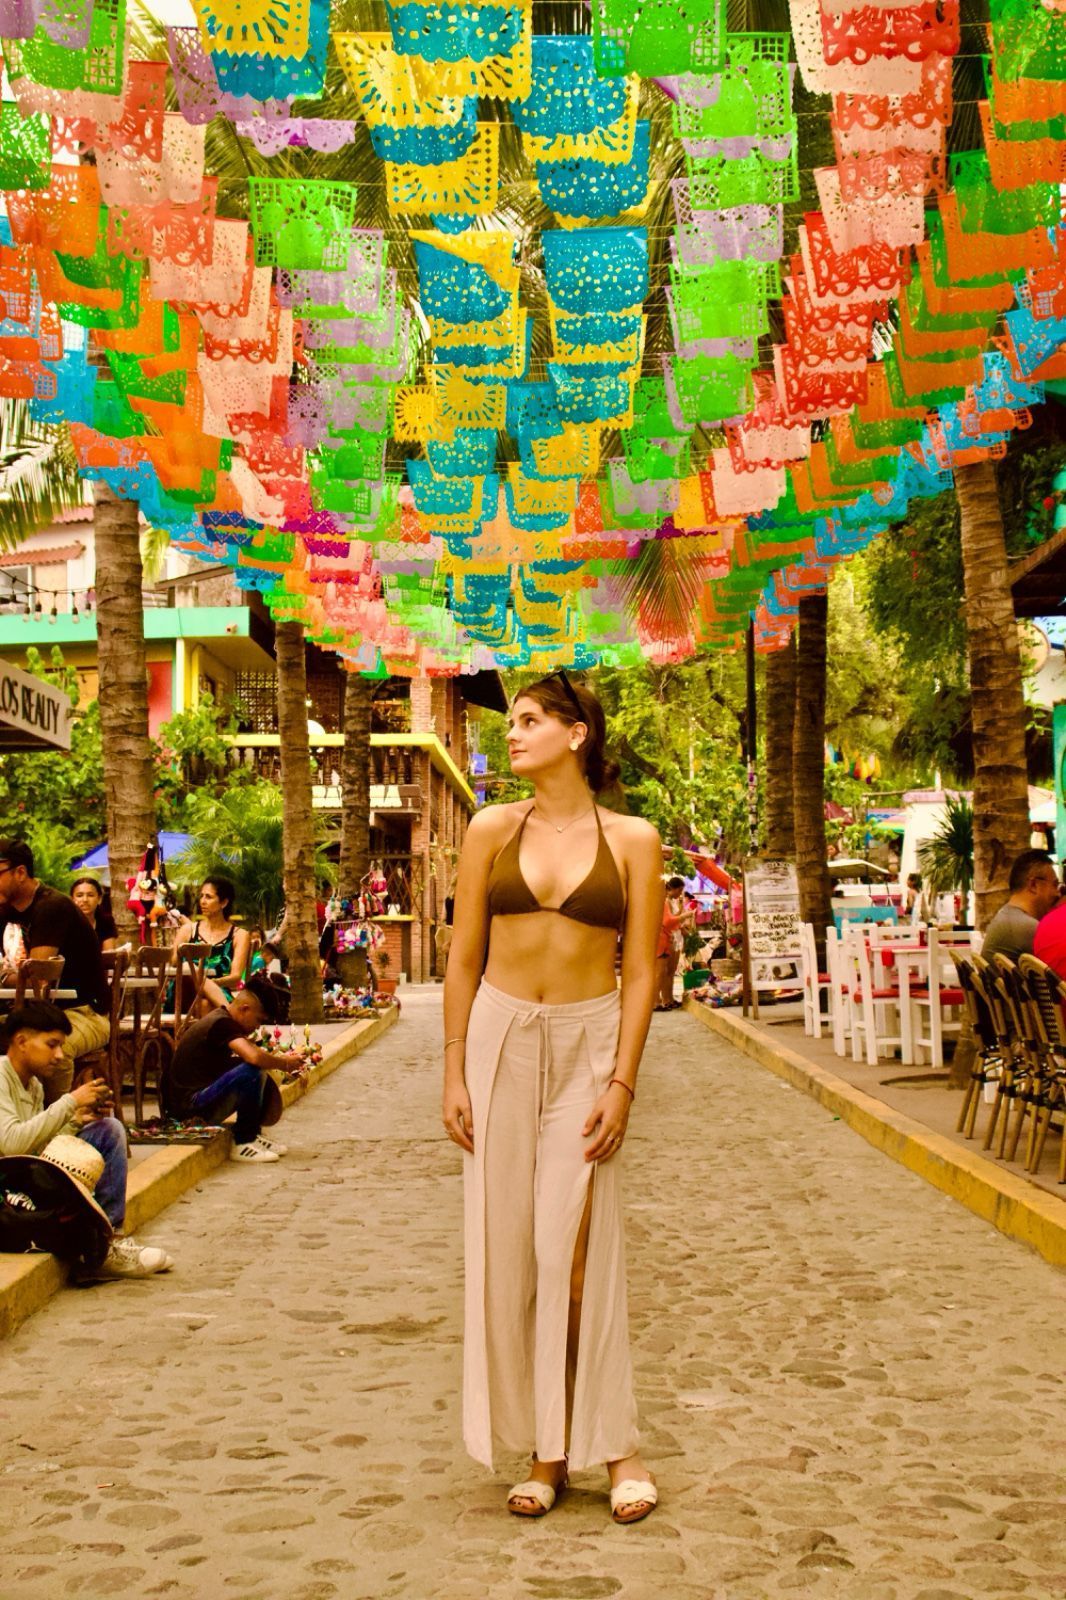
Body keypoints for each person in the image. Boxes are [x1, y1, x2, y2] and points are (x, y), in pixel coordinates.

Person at [443, 670, 663, 1526]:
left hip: (587, 1041)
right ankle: (545, 1451)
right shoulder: (491, 828)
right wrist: (454, 1068)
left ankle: (618, 1447)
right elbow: (463, 958)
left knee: (577, 1248)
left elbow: (640, 970)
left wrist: (623, 1080)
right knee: (510, 1251)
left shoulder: (634, 839)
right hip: (500, 1037)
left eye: (531, 720)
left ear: (578, 735)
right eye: (513, 720)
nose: (514, 732)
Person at [0, 1001, 173, 1276]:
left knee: (109, 1129)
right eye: (51, 1044)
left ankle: (109, 1237)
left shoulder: (32, 1083)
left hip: (25, 1173)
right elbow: (12, 1147)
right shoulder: (0, 1076)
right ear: (21, 1041)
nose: (59, 1055)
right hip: (7, 1189)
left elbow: (39, 1145)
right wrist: (69, 1102)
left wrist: (77, 1119)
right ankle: (98, 1251)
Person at [0, 839, 110, 1100]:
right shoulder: (6, 910)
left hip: (85, 1013)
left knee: (50, 1045)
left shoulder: (51, 907)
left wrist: (4, 975)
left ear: (20, 873)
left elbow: (37, 978)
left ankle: (56, 1120)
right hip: (28, 1012)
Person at [162, 975, 304, 1164]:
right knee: (251, 1070)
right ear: (245, 1009)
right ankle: (243, 1141)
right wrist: (284, 1063)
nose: (257, 1027)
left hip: (196, 1098)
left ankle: (252, 1133)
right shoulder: (221, 1023)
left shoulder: (224, 1019)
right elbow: (252, 1056)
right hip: (188, 1108)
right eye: (258, 1020)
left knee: (253, 1067)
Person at [171, 876, 251, 1011]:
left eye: (208, 897)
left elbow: (236, 977)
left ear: (224, 902)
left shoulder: (239, 935)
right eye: (201, 896)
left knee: (205, 1005)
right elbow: (174, 964)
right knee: (189, 968)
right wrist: (200, 979)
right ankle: (231, 1015)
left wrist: (209, 984)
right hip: (183, 993)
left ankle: (227, 1017)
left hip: (218, 992)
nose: (202, 901)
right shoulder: (187, 931)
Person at [980, 849, 1060, 965]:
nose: (1057, 893)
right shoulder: (1027, 927)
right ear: (1033, 885)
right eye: (1055, 885)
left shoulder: (1006, 914)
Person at [656, 877, 692, 1010]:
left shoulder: (672, 901)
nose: (680, 893)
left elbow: (673, 918)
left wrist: (682, 909)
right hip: (668, 936)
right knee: (664, 971)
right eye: (680, 890)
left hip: (673, 935)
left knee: (670, 971)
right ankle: (663, 999)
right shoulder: (665, 901)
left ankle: (668, 998)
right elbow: (669, 921)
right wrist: (684, 916)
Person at [70, 878, 118, 953]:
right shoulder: (65, 923)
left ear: (99, 899)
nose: (85, 900)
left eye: (90, 895)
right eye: (79, 895)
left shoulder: (106, 922)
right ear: (72, 899)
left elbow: (109, 954)